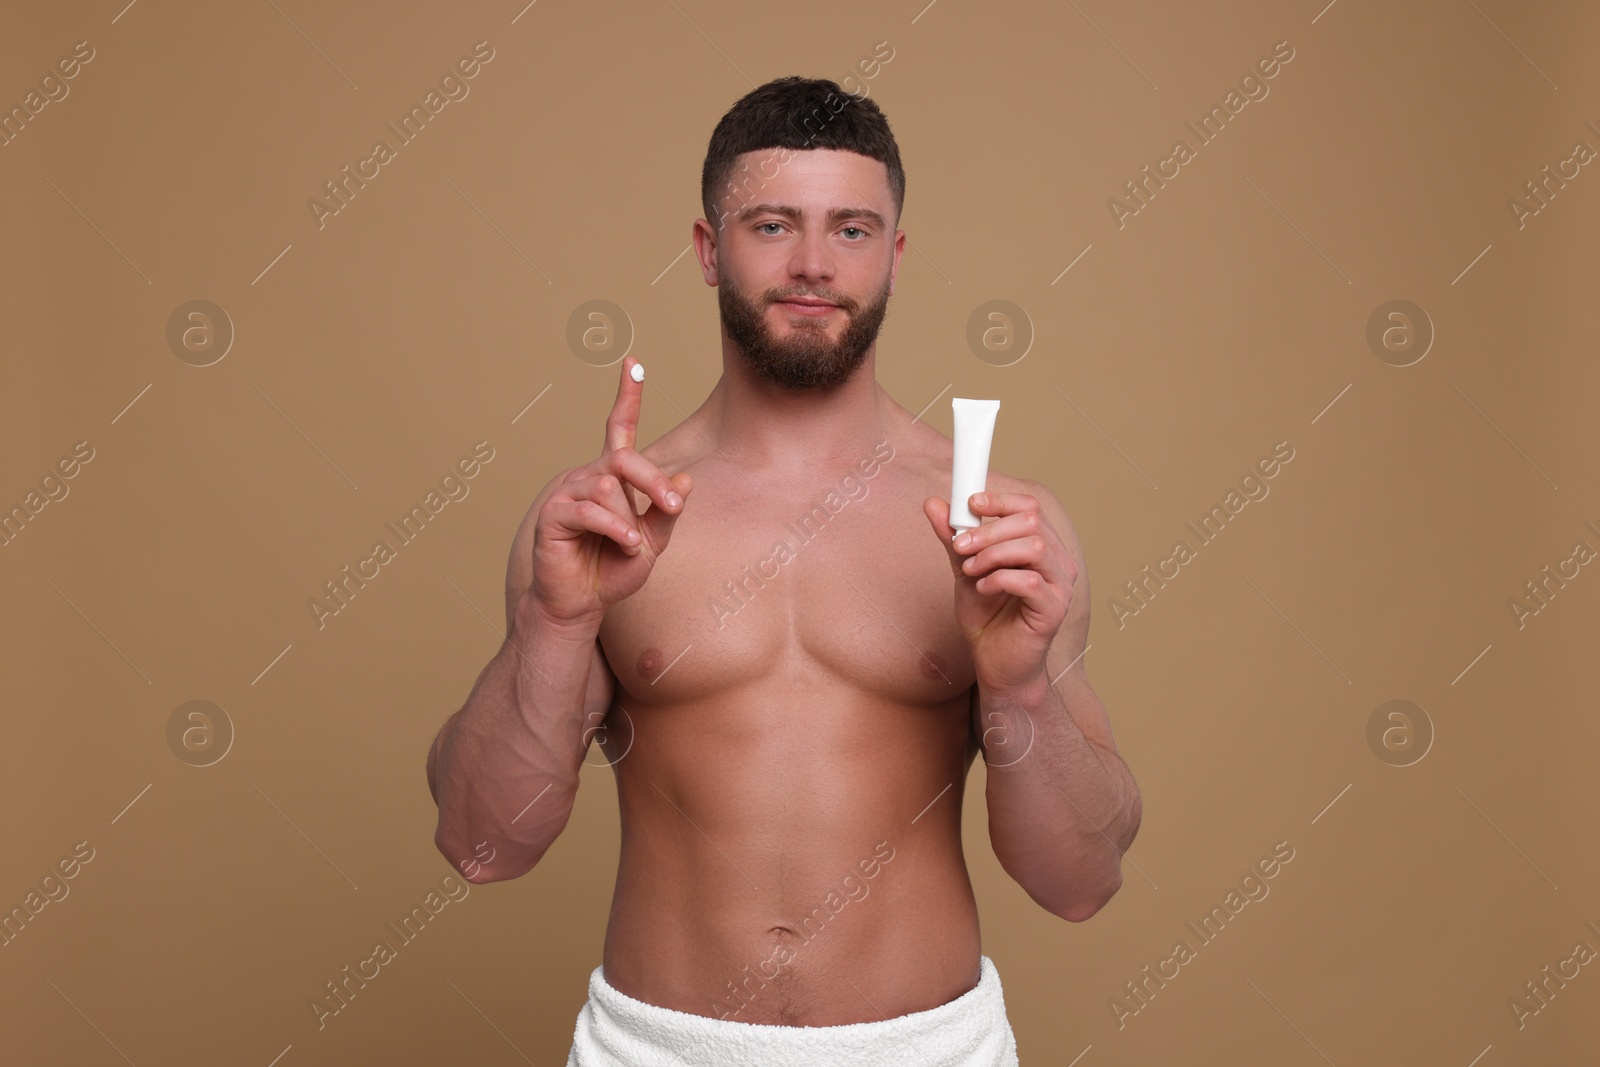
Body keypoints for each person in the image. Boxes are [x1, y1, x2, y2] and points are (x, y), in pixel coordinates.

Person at [426, 75, 1141, 1065]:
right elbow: (482, 844)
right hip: (653, 1048)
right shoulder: (605, 520)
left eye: (851, 230)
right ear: (708, 248)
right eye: (772, 225)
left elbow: (1080, 879)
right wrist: (554, 625)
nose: (813, 264)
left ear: (894, 256)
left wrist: (1017, 683)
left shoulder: (999, 526)